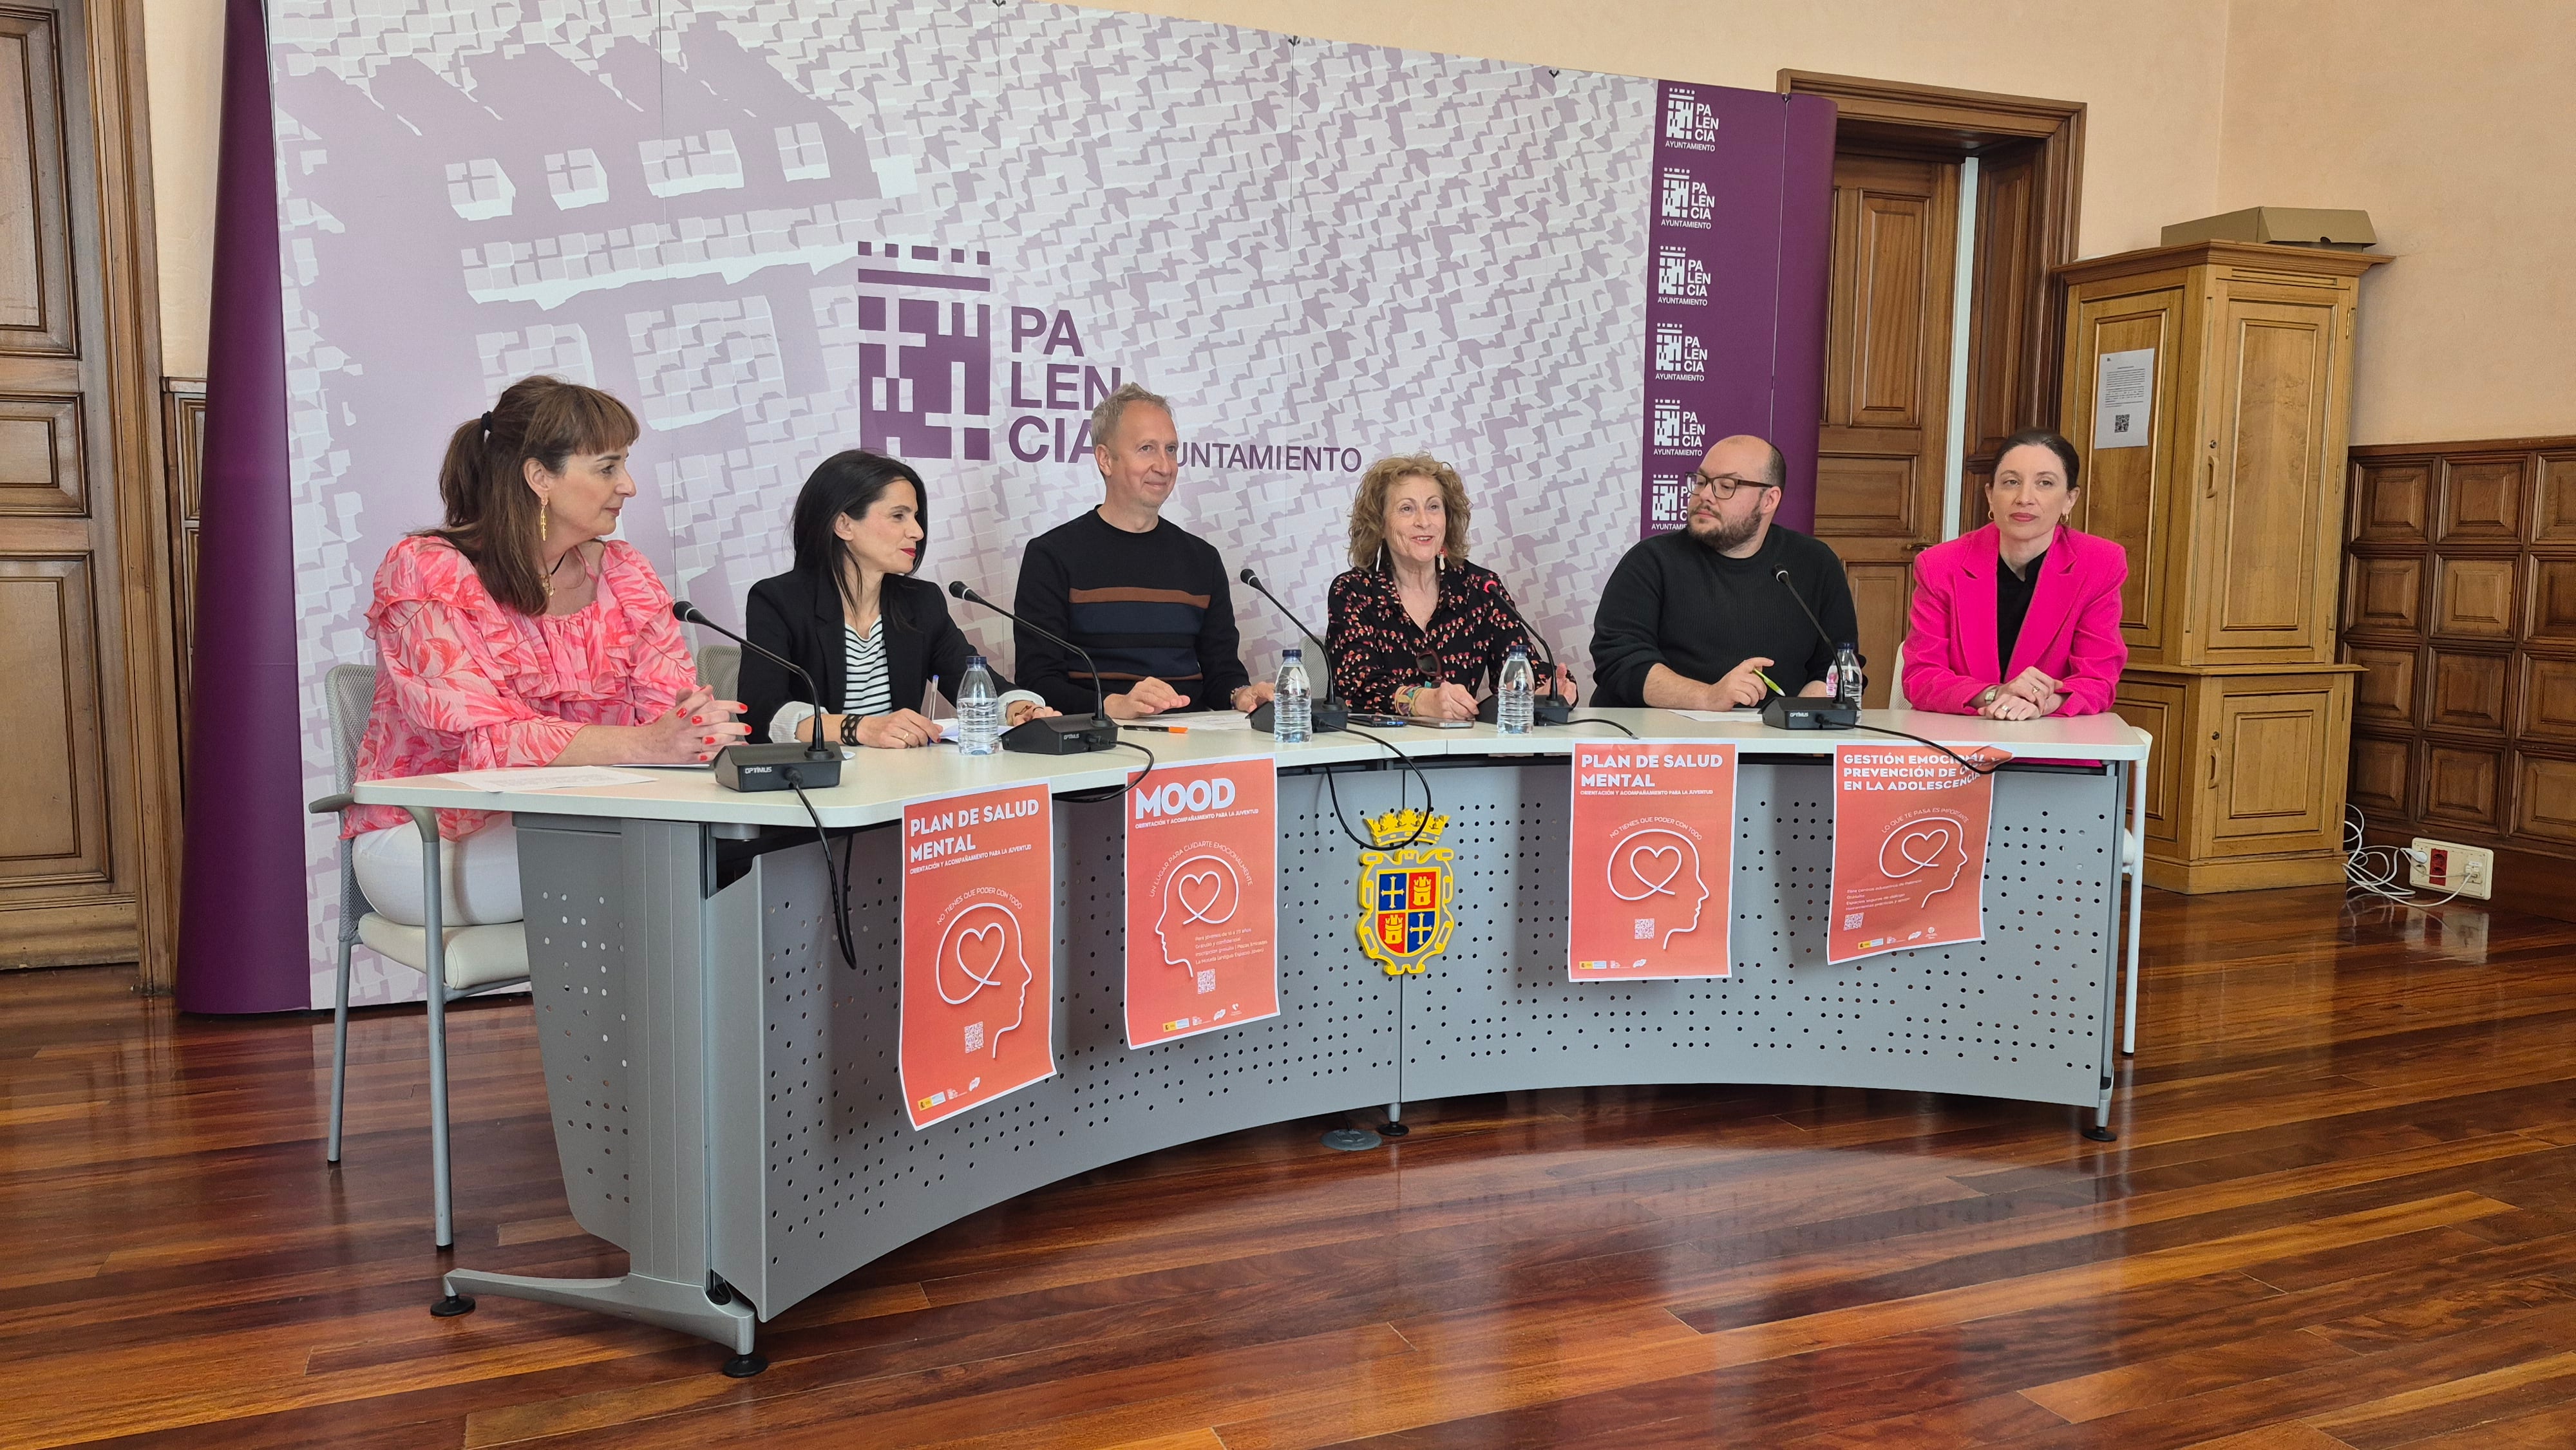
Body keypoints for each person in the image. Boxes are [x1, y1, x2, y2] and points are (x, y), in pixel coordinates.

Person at [343, 375, 747, 927]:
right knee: (684, 864)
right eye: (608, 467)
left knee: (732, 851)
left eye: (624, 464)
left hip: (584, 820)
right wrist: (649, 742)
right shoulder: (427, 570)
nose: (628, 485)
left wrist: (692, 730)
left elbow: (671, 714)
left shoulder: (624, 573)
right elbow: (493, 744)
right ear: (540, 478)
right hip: (432, 838)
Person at [740, 450, 1055, 749]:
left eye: (916, 516)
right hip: (816, 783)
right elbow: (763, 712)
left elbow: (972, 679)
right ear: (844, 524)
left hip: (900, 780)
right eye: (898, 516)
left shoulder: (920, 602)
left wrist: (1020, 709)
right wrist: (861, 728)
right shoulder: (778, 602)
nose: (917, 532)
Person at [1011, 383, 1274, 719]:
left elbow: (1221, 672)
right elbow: (1038, 681)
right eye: (1147, 449)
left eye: (1171, 449)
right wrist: (1111, 705)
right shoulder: (1051, 556)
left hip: (1192, 746)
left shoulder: (1202, 560)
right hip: (1095, 745)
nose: (1164, 466)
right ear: (1105, 459)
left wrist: (1241, 694)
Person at [1590, 433, 1859, 710]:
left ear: (1769, 500)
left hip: (1773, 744)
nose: (1705, 495)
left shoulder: (1815, 563)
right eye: (1702, 481)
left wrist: (1798, 721)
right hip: (1661, 744)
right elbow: (1619, 659)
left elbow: (1837, 665)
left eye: (1726, 486)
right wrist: (1708, 697)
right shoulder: (1651, 561)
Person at [1324, 453, 1575, 719]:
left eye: (1434, 507)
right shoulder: (1354, 591)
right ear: (1380, 525)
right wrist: (1421, 701)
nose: (1424, 521)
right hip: (1384, 755)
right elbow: (1355, 686)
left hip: (1462, 753)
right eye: (1407, 509)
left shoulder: (1480, 588)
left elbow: (1524, 667)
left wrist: (1551, 689)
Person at [1902, 428, 2128, 719]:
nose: (2025, 498)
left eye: (2045, 483)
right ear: (1990, 495)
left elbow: (2098, 679)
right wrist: (1996, 695)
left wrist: (2042, 703)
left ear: (2070, 499)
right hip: (1961, 742)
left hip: (2054, 742)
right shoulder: (1940, 565)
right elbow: (1921, 678)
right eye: (2011, 482)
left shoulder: (2100, 563)